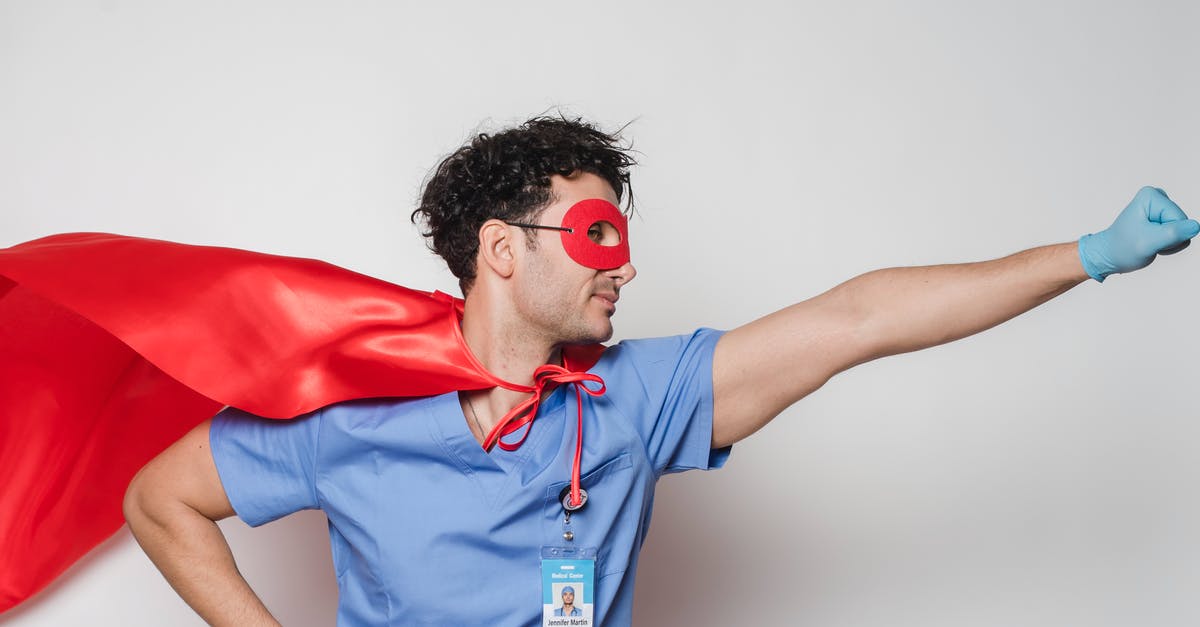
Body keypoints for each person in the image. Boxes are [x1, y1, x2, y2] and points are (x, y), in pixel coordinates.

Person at [121, 115, 1199, 626]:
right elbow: (162, 499)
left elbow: (859, 318)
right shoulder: (344, 413)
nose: (625, 265)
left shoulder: (639, 397)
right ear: (503, 249)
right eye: (595, 235)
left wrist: (1087, 257)